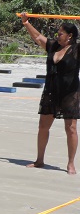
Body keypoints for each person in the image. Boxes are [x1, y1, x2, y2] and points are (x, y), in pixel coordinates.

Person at [21, 14, 80, 174]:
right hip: (51, 92)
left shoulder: (76, 49)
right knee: (43, 127)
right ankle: (39, 160)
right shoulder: (53, 46)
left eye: (60, 33)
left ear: (70, 36)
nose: (57, 35)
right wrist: (26, 23)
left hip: (70, 94)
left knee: (71, 129)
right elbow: (38, 37)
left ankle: (70, 164)